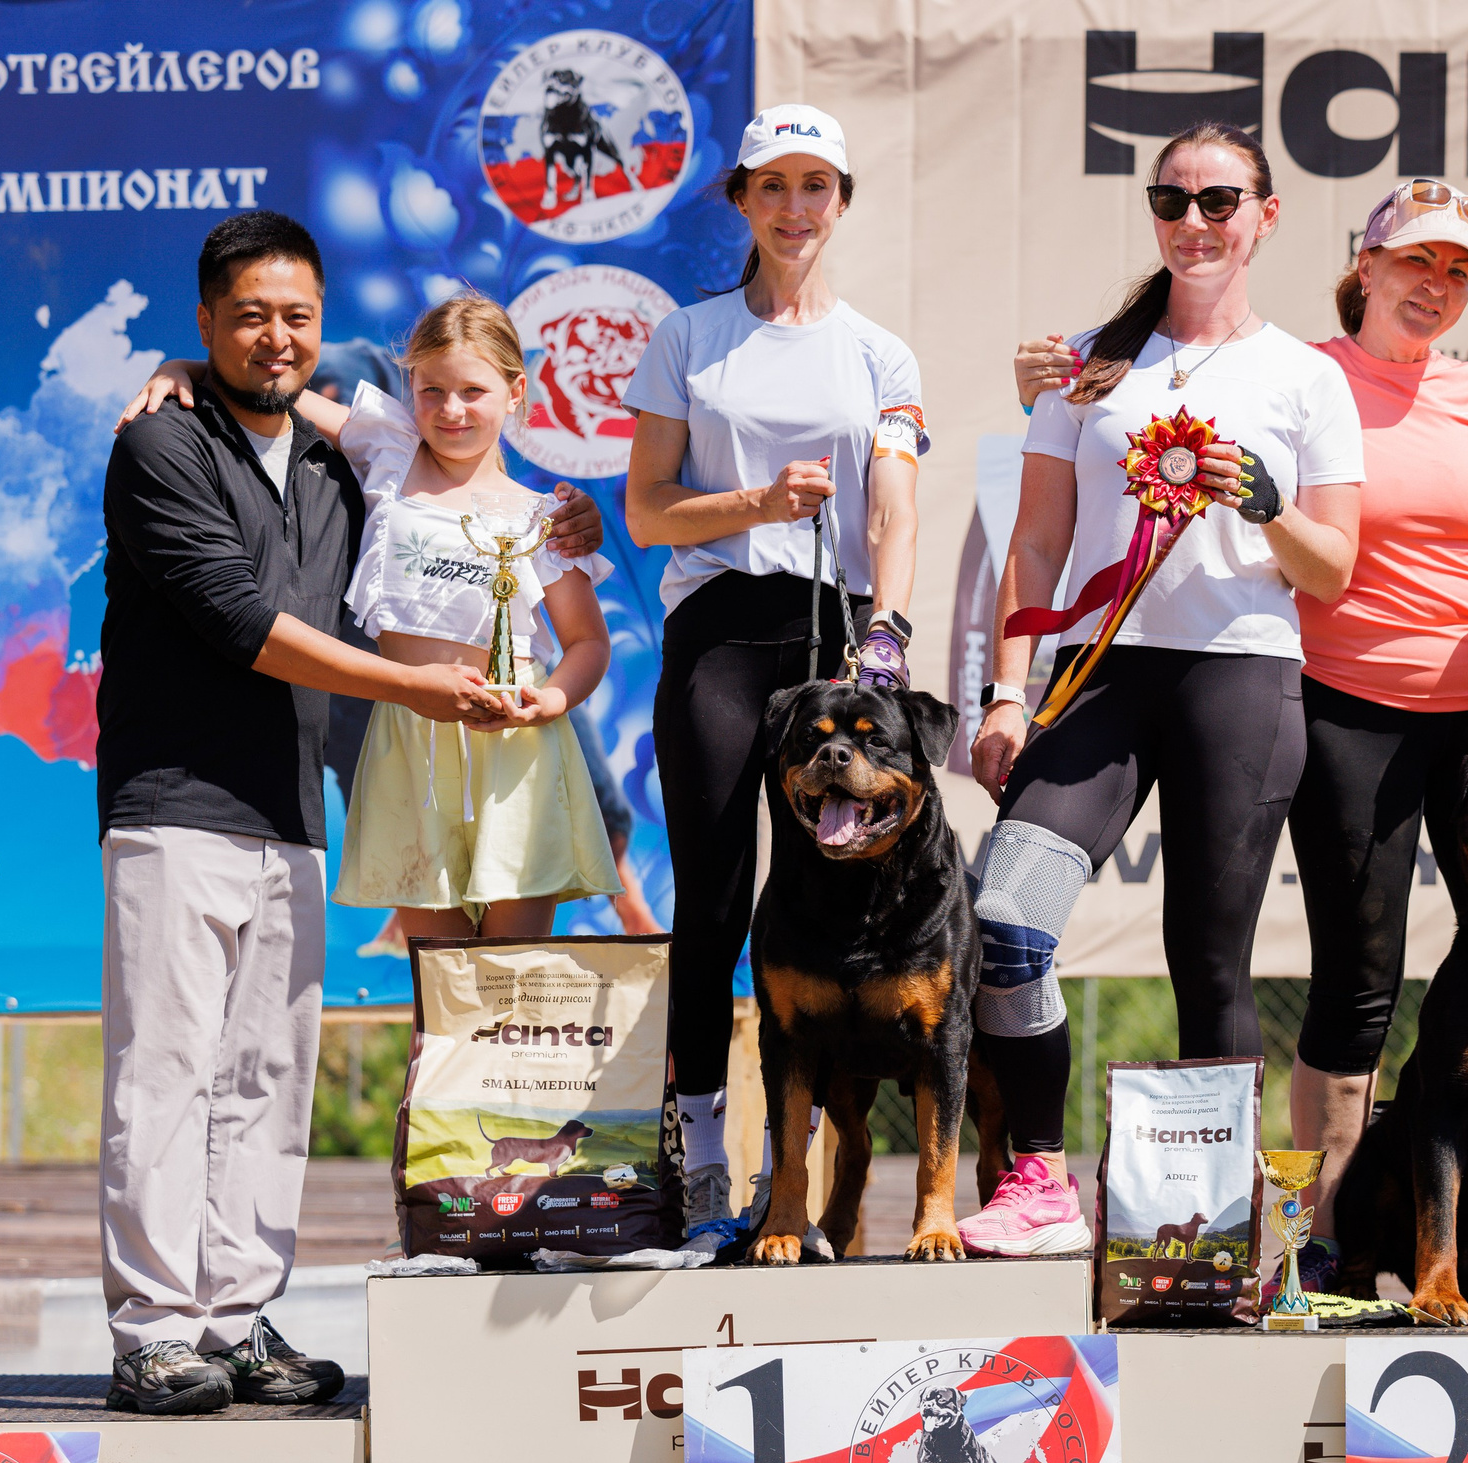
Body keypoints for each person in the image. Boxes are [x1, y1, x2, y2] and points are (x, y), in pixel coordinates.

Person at [97, 212, 601, 1413]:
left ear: (321, 334)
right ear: (210, 320)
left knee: (268, 1074)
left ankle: (235, 1315)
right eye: (249, 315)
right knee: (165, 1071)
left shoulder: (340, 464)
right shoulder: (164, 444)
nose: (276, 337)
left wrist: (561, 516)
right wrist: (420, 689)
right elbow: (237, 617)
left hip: (293, 811)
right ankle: (156, 1327)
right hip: (174, 801)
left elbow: (437, 469)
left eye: (298, 318)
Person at [966, 121, 1363, 1255]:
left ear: (1265, 217)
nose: (1195, 222)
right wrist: (1005, 691)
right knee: (1006, 915)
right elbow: (1035, 544)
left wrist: (1261, 502)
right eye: (1173, 200)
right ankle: (1038, 1182)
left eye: (1220, 201)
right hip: (1102, 674)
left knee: (1208, 962)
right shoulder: (1088, 360)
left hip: (1241, 672)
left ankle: (1214, 1228)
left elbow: (1331, 568)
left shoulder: (1304, 378)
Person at [624, 104, 930, 1253]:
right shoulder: (685, 337)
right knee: (710, 896)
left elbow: (894, 498)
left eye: (817, 186)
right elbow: (648, 510)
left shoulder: (878, 353)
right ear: (742, 201)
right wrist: (754, 502)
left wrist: (886, 628)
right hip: (722, 624)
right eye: (774, 186)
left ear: (840, 202)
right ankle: (700, 1151)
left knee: (836, 897)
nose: (796, 207)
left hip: (838, 636)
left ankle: (805, 1176)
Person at [125, 295, 625, 939]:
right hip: (406, 739)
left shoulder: (546, 519)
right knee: (439, 980)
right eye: (431, 389)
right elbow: (276, 388)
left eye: (473, 390)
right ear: (408, 387)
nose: (450, 410)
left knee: (511, 972)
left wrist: (550, 702)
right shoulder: (389, 451)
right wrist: (182, 368)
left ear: (516, 391)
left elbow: (587, 641)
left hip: (515, 752)